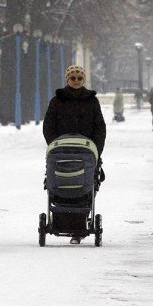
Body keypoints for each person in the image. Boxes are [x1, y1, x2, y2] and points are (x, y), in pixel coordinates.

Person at [43, 65, 107, 244]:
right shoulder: (57, 100)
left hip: (86, 152)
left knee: (85, 185)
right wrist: (54, 145)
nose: (76, 81)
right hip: (61, 151)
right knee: (62, 183)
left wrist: (96, 150)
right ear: (67, 80)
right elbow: (48, 125)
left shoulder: (92, 100)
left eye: (79, 78)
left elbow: (99, 127)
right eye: (73, 78)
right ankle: (62, 220)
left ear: (83, 80)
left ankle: (78, 226)